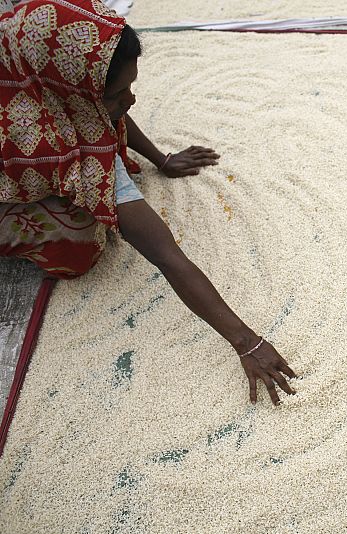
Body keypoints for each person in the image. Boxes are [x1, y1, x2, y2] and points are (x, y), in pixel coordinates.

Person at [0, 0, 295, 405]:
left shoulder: (39, 60)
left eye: (130, 87)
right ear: (64, 94)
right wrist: (246, 342)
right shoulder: (23, 124)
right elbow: (163, 252)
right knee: (80, 239)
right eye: (119, 93)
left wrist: (162, 159)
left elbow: (101, 114)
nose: (131, 101)